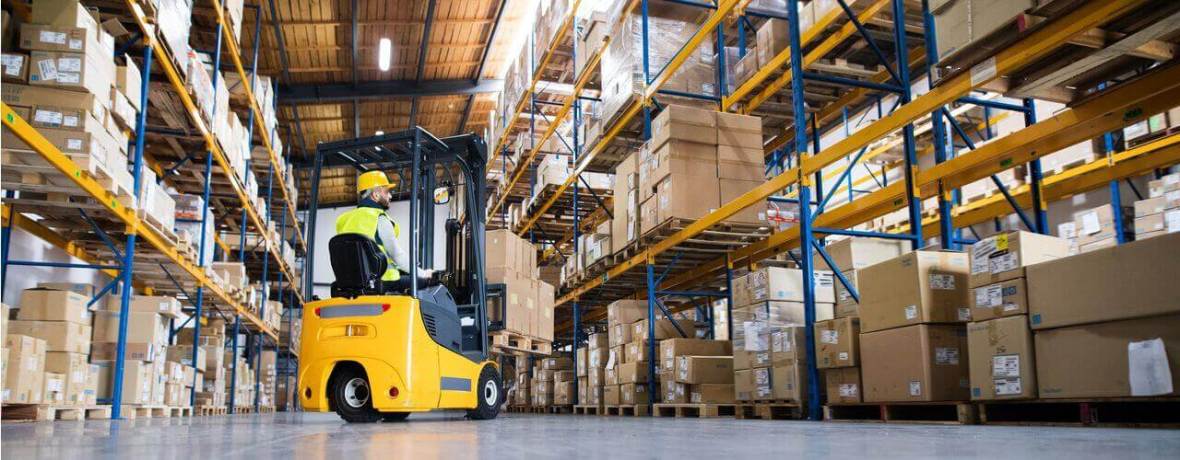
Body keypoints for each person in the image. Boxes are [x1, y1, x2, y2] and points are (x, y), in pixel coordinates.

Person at [336, 170, 434, 291]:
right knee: (426, 282)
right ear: (376, 195)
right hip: (383, 282)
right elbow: (397, 255)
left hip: (351, 284)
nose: (390, 196)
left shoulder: (343, 219)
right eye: (387, 192)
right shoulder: (379, 218)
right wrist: (424, 274)